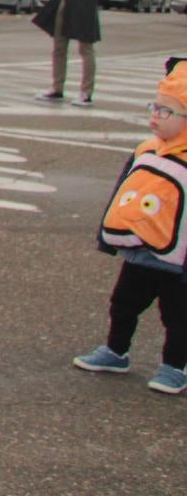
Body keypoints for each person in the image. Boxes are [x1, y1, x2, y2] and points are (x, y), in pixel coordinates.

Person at [70, 64, 187, 395]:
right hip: (138, 250)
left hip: (178, 261)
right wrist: (109, 236)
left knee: (178, 315)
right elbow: (124, 191)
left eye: (168, 111)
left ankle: (175, 366)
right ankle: (116, 351)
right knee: (123, 302)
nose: (156, 116)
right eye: (155, 107)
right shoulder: (146, 149)